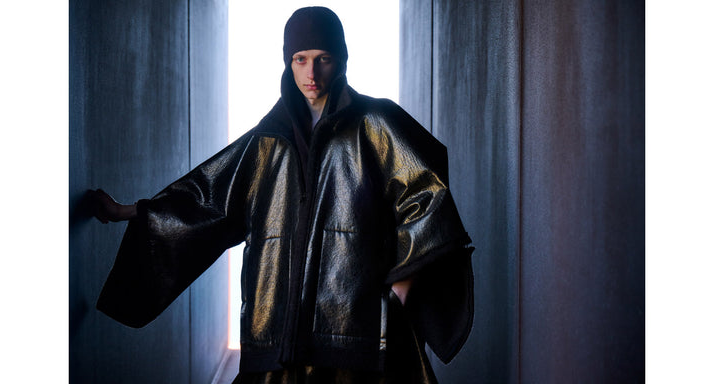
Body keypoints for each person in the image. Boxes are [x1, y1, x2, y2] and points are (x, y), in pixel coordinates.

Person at [91, 6, 473, 383]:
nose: (312, 72)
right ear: (288, 62)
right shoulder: (266, 140)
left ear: (341, 59)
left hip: (356, 328)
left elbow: (427, 194)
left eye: (323, 58)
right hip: (278, 324)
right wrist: (130, 211)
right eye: (301, 58)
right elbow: (207, 197)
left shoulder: (375, 124)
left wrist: (404, 281)